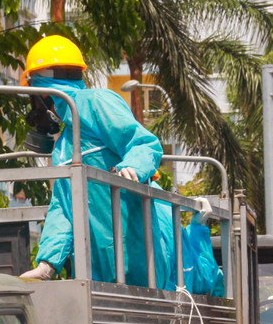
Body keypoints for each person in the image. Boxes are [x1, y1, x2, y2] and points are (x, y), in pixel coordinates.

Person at [16, 35, 175, 288]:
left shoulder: (96, 102)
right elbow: (63, 207)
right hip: (95, 268)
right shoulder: (63, 146)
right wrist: (48, 263)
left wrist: (132, 166)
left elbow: (144, 143)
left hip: (137, 256)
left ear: (41, 89)